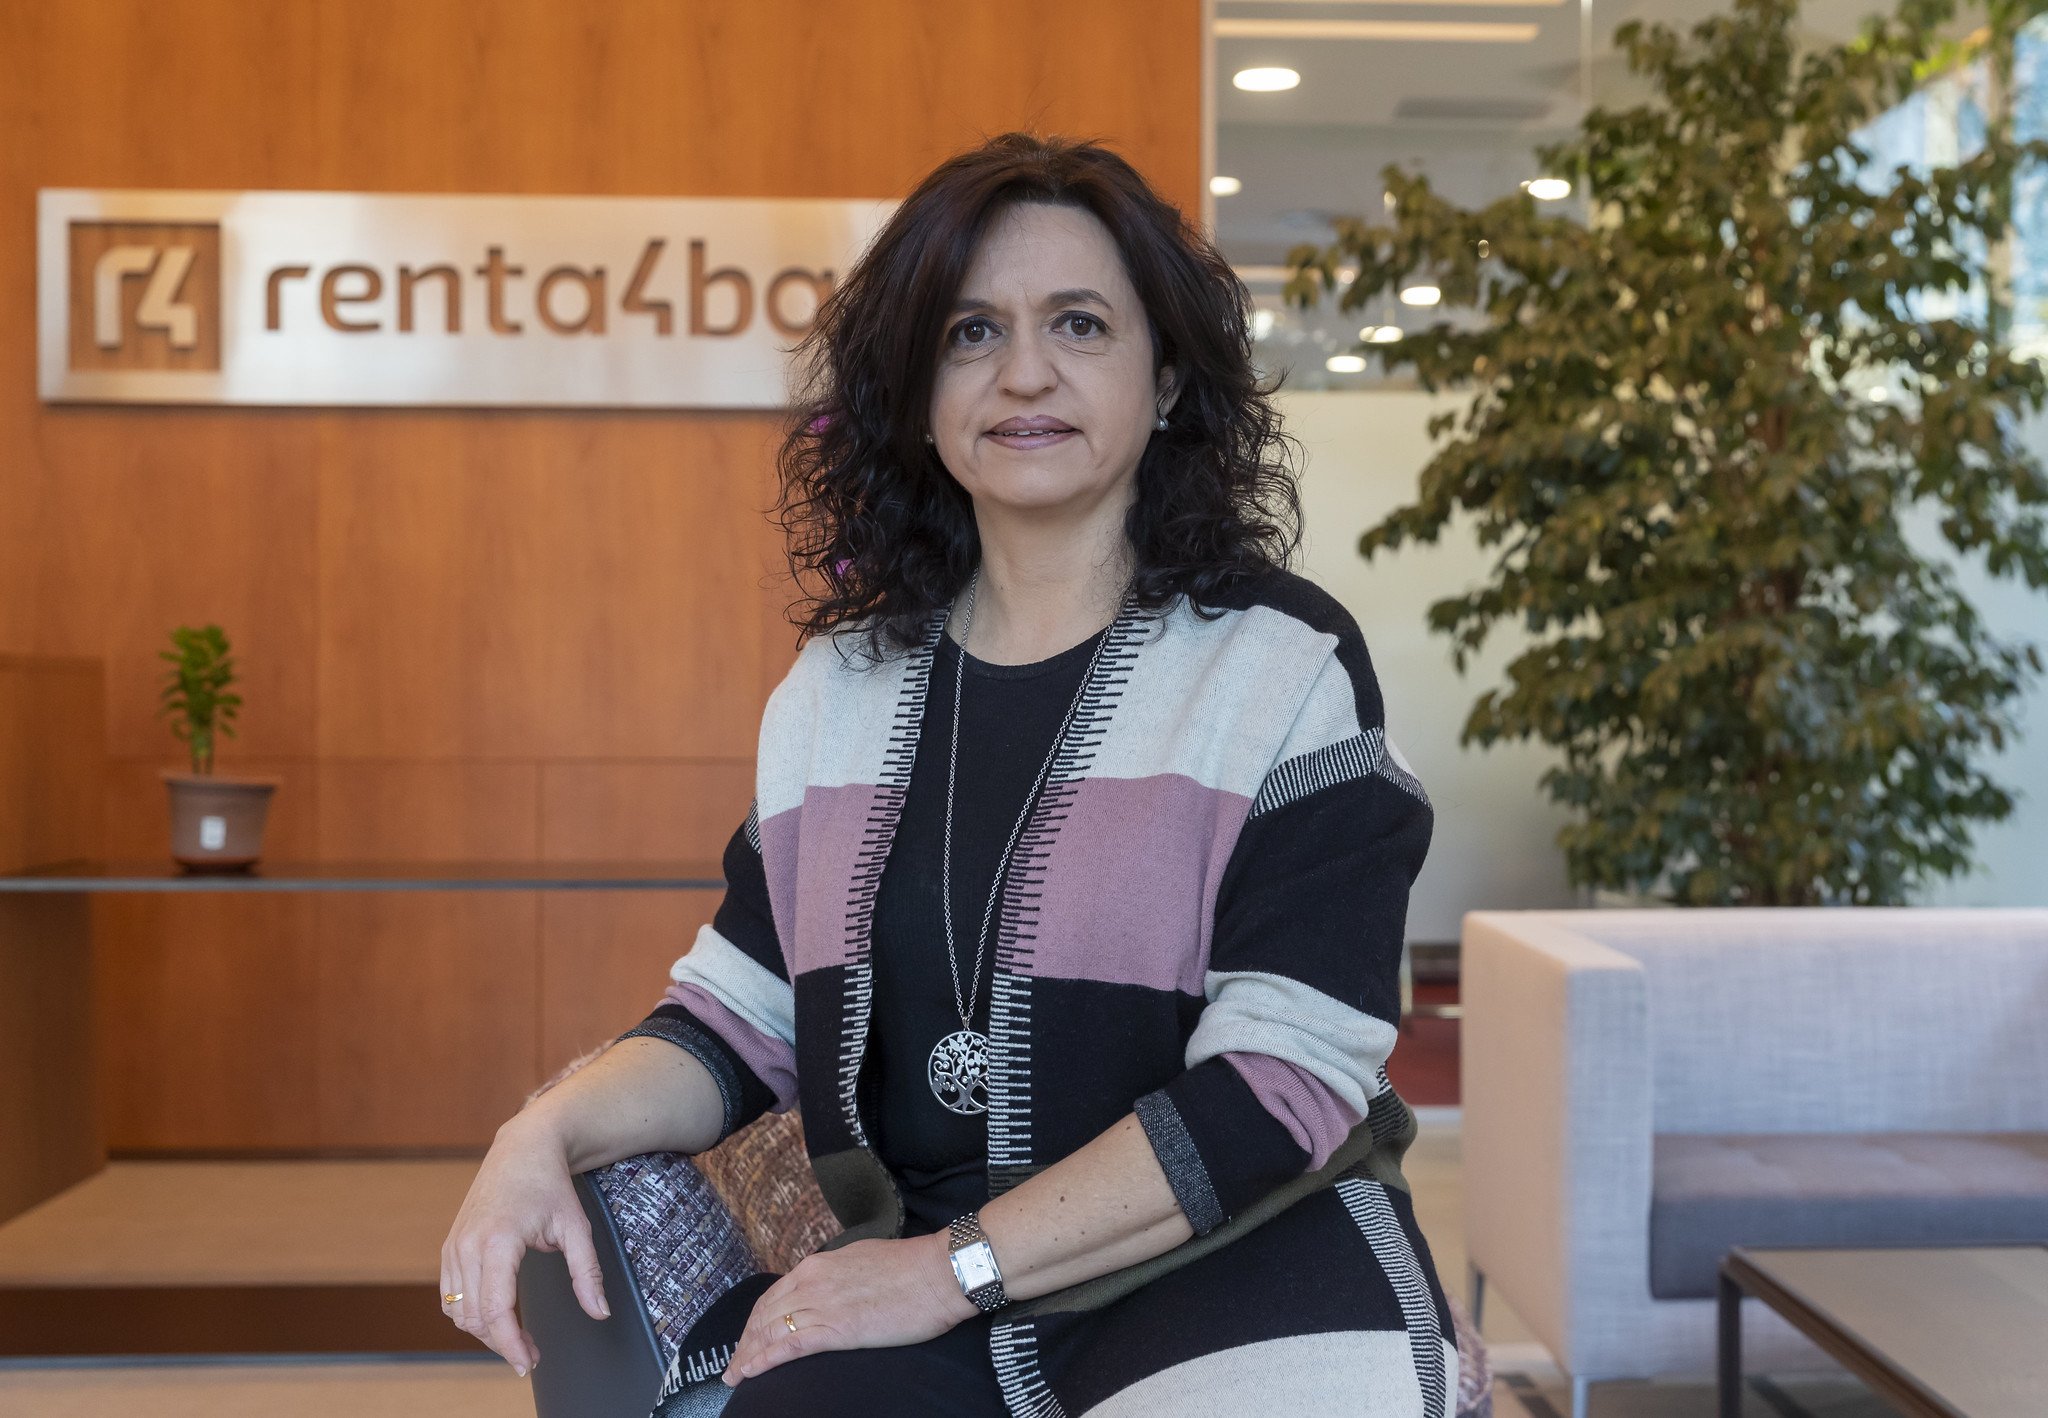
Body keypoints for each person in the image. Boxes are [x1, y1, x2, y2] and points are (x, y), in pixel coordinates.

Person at [440, 130, 1457, 1417]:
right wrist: (539, 1130)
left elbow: (1283, 1078)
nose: (1023, 371)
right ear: (919, 396)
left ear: (1164, 378)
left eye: (1079, 324)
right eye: (971, 333)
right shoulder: (836, 694)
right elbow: (737, 1018)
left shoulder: (1282, 666)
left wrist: (951, 1269)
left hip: (1233, 1254)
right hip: (915, 1277)